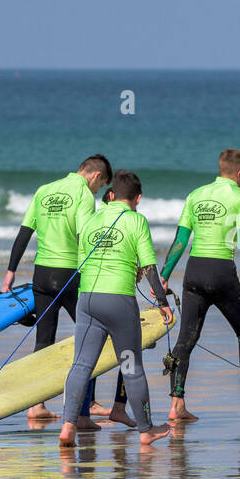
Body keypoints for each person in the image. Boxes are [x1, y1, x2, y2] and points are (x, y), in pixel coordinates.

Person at [160, 148, 240, 421]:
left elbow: (180, 240)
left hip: (194, 272)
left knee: (185, 340)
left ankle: (176, 405)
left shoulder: (195, 195)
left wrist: (164, 274)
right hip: (221, 273)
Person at [1, 154, 125, 425]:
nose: (97, 191)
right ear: (96, 177)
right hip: (71, 275)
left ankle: (37, 405)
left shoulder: (44, 190)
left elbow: (23, 234)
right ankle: (84, 410)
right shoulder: (82, 194)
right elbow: (85, 238)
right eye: (99, 185)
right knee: (93, 338)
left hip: (42, 274)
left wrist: (10, 272)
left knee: (44, 340)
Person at [58, 170, 173, 447]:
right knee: (131, 367)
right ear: (138, 198)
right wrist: (162, 302)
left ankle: (67, 427)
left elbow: (81, 264)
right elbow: (148, 267)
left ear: (110, 195)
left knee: (82, 365)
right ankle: (146, 430)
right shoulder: (136, 221)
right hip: (119, 302)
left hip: (87, 300)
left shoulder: (90, 220)